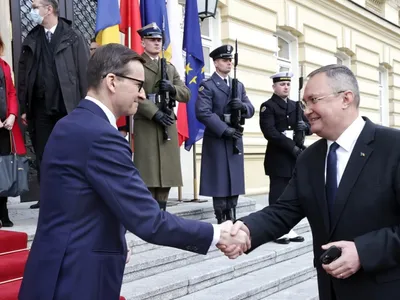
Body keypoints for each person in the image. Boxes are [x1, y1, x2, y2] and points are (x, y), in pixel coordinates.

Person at [19, 43, 250, 300]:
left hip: (54, 269)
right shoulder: (100, 136)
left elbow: (82, 203)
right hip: (76, 277)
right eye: (139, 85)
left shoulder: (71, 124)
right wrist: (217, 233)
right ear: (112, 81)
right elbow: (149, 220)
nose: (142, 95)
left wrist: (116, 238)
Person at [221, 64, 400, 300]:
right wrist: (245, 229)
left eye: (313, 100)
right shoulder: (309, 157)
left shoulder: (393, 147)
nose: (306, 111)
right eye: (305, 103)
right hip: (330, 290)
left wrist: (363, 252)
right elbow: (284, 211)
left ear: (346, 98)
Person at [18, 0, 89, 209]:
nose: (32, 12)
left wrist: (86, 106)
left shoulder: (72, 37)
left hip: (67, 106)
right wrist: (24, 107)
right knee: (44, 153)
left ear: (49, 9)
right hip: (39, 108)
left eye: (34, 7)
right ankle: (47, 197)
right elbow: (23, 76)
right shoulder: (32, 38)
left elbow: (84, 73)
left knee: (69, 152)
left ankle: (72, 196)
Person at [133, 22, 190, 210]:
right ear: (143, 42)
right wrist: (154, 112)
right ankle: (149, 213)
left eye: (159, 40)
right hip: (147, 122)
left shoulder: (170, 68)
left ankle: (162, 211)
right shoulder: (136, 65)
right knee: (148, 171)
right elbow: (134, 92)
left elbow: (186, 93)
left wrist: (172, 88)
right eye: (152, 40)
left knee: (167, 171)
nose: (157, 43)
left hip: (166, 121)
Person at [196, 45, 254, 224]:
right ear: (215, 63)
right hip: (218, 138)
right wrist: (224, 129)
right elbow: (203, 112)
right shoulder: (208, 86)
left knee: (234, 179)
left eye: (230, 60)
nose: (229, 63)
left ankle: (232, 215)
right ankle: (222, 217)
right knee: (219, 180)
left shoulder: (238, 85)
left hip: (234, 138)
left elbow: (251, 109)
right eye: (224, 60)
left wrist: (242, 107)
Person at [259, 71, 312, 244]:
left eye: (288, 84)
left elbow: (310, 126)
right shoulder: (268, 106)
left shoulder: (296, 105)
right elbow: (271, 133)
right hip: (279, 156)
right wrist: (292, 148)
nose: (286, 87)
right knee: (278, 194)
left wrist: (305, 127)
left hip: (295, 157)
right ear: (274, 87)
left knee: (292, 194)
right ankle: (275, 230)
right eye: (282, 84)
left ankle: (288, 227)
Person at [0, 33, 27, 227]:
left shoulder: (4, 66)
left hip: (4, 127)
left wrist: (12, 115)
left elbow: (11, 92)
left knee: (4, 169)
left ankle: (3, 211)